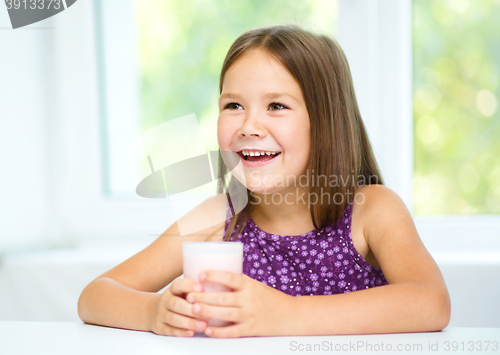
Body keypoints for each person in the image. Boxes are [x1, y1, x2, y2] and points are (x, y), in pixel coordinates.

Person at [78, 24, 451, 338]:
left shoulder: (372, 210)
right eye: (233, 105)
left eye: (276, 106)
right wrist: (153, 311)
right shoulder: (216, 218)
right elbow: (95, 296)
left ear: (325, 123)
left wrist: (286, 315)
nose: (248, 126)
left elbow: (432, 304)